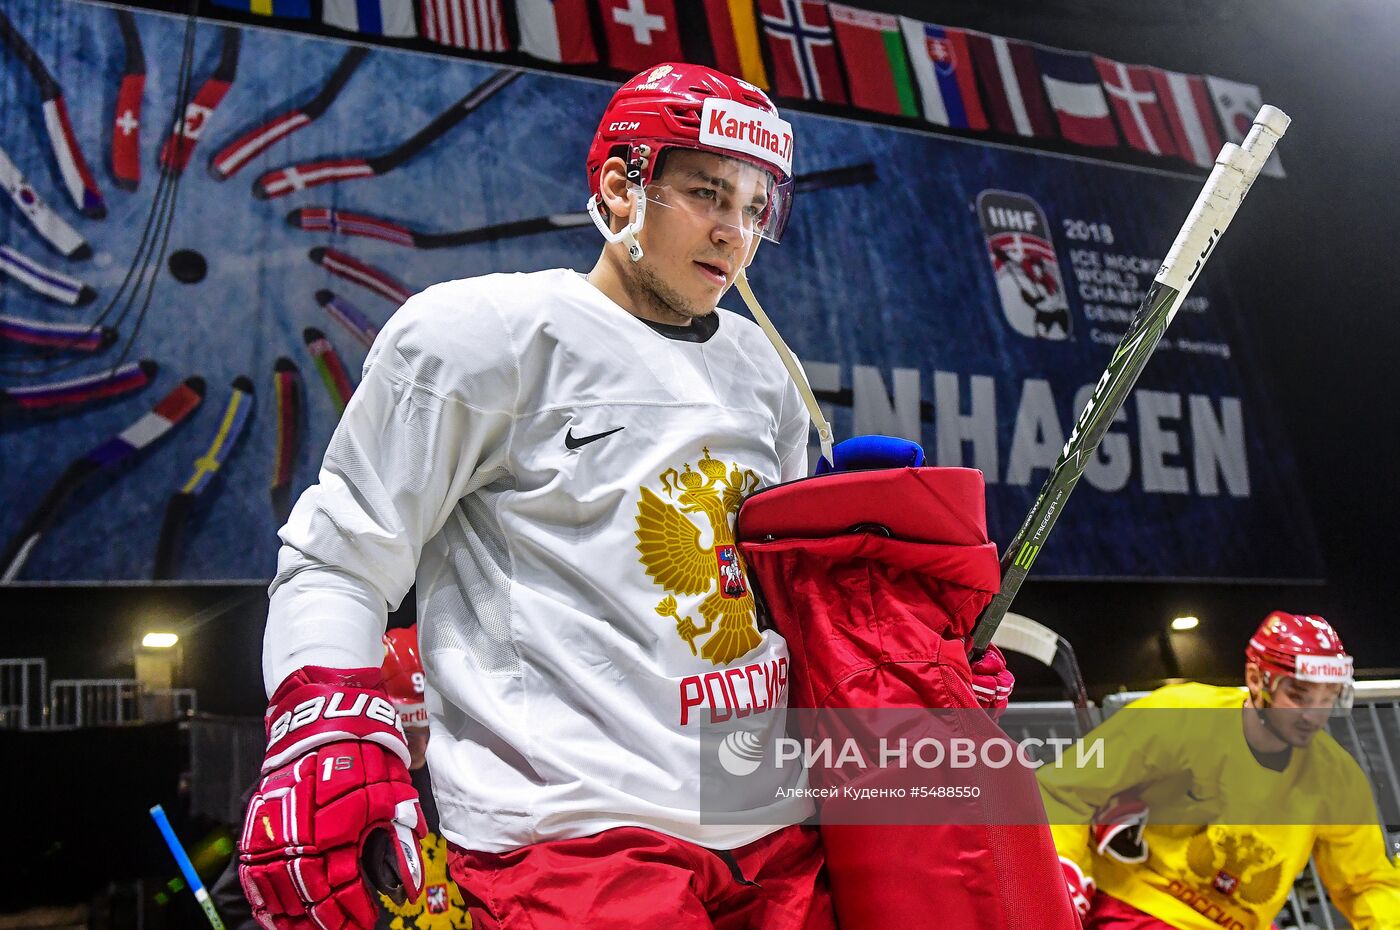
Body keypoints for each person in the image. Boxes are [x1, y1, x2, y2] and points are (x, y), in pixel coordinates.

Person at [236, 62, 1016, 930]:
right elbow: (339, 555)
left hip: (772, 822)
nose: (735, 233)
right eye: (709, 195)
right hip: (581, 838)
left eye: (756, 208)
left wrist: (904, 658)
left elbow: (770, 602)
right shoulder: (481, 335)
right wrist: (319, 718)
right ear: (619, 187)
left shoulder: (762, 368)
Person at [1040, 610, 1400, 929]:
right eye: (1299, 695)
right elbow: (1065, 790)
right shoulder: (1180, 714)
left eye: (1328, 697)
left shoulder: (1336, 776)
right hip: (1138, 903)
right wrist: (1062, 869)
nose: (1313, 715)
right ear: (1258, 680)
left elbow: (1366, 883)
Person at [216, 626, 470, 929]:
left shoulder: (459, 773)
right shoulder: (304, 789)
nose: (422, 747)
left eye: (430, 729)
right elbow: (245, 897)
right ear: (379, 716)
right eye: (410, 732)